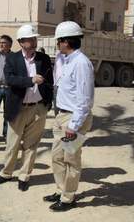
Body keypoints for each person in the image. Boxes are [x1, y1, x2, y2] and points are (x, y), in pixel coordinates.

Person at [0, 24, 53, 191]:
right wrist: (30, 80)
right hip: (18, 108)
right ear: (20, 42)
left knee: (31, 145)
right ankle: (6, 173)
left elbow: (49, 81)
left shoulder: (43, 58)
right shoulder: (12, 59)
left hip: (38, 108)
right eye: (29, 39)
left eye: (34, 38)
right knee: (12, 144)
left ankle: (24, 175)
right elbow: (10, 79)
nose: (33, 42)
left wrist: (47, 103)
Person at [44, 21, 94, 212]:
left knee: (71, 159)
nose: (57, 44)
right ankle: (60, 189)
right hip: (61, 115)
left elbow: (85, 99)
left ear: (67, 41)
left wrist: (74, 125)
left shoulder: (81, 63)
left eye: (59, 41)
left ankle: (68, 198)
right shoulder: (65, 60)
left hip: (74, 118)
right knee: (57, 157)